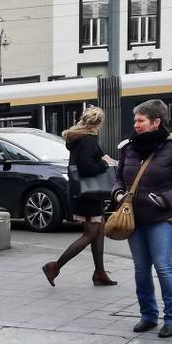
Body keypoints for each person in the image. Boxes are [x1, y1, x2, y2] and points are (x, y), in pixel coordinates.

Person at [113, 99, 172, 339]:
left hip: (162, 218)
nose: (136, 125)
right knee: (141, 269)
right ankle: (148, 316)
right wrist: (118, 193)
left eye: (140, 121)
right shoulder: (128, 147)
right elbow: (119, 178)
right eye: (135, 120)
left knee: (163, 266)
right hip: (134, 218)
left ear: (156, 122)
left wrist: (165, 200)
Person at [42, 107, 117, 287]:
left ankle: (100, 273)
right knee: (91, 233)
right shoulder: (89, 140)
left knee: (99, 231)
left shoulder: (78, 138)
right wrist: (104, 164)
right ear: (98, 123)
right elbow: (87, 168)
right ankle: (54, 267)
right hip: (89, 195)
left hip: (82, 193)